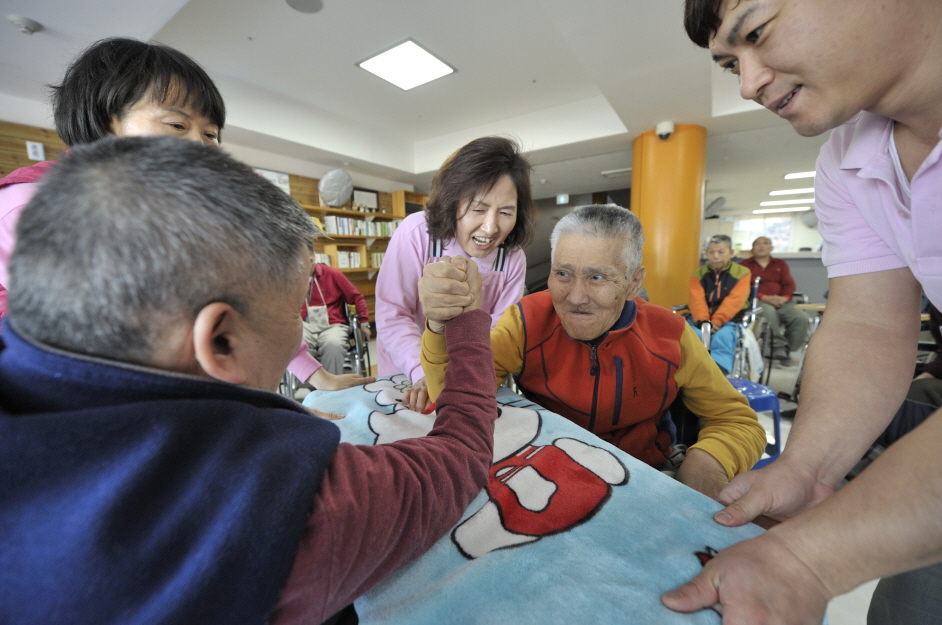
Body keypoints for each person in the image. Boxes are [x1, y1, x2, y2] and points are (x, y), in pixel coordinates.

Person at [0, 135, 498, 624]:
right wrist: (467, 320)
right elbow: (461, 454)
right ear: (220, 341)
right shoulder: (278, 503)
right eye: (296, 307)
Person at [664, 1, 942, 623]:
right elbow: (870, 324)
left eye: (757, 32)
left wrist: (809, 560)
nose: (748, 84)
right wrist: (807, 465)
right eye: (730, 64)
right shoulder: (848, 162)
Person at [0, 37, 367, 392]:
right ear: (105, 122)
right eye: (177, 125)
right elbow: (107, 351)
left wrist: (318, 378)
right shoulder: (33, 205)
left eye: (210, 135)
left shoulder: (180, 210)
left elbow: (255, 311)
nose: (200, 147)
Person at [417, 205, 766, 501]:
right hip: (545, 478)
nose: (575, 297)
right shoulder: (525, 321)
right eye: (563, 274)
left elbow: (737, 421)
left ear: (634, 282)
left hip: (649, 474)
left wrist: (705, 464)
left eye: (597, 277)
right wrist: (440, 324)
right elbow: (456, 397)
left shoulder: (671, 335)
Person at [375, 136, 535, 411]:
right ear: (453, 202)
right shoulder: (416, 233)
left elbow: (497, 332)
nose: (490, 228)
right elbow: (393, 314)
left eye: (506, 212)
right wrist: (423, 373)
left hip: (468, 376)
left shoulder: (512, 257)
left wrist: (459, 378)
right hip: (406, 372)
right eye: (478, 209)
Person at [688, 234, 751, 374]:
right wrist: (704, 323)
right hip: (701, 320)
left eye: (721, 252)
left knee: (724, 337)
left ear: (731, 252)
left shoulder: (742, 273)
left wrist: (716, 321)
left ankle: (717, 372)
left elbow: (735, 301)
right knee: (692, 336)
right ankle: (691, 370)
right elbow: (697, 301)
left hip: (730, 320)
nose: (715, 257)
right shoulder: (697, 274)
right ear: (706, 253)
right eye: (711, 252)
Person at [740, 236, 808, 363]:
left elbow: (789, 284)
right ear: (752, 249)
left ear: (771, 248)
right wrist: (763, 297)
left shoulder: (780, 264)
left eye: (765, 243)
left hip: (782, 301)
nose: (761, 246)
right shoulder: (744, 266)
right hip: (758, 300)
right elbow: (744, 287)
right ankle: (777, 347)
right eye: (757, 244)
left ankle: (787, 350)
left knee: (800, 317)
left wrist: (784, 298)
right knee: (768, 312)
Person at [302, 257, 371, 375]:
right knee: (298, 345)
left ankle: (330, 383)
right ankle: (310, 382)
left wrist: (364, 322)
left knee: (333, 344)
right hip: (304, 325)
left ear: (313, 258)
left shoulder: (332, 274)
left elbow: (356, 297)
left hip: (333, 325)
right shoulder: (290, 277)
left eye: (309, 261)